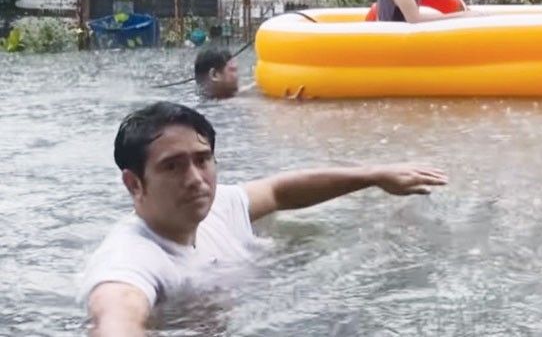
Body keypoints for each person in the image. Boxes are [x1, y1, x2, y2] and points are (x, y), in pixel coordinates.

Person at [80, 102, 447, 336]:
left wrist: (374, 176)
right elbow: (117, 317)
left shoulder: (216, 204)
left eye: (202, 159)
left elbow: (278, 191)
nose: (195, 178)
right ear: (134, 183)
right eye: (172, 166)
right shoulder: (129, 260)